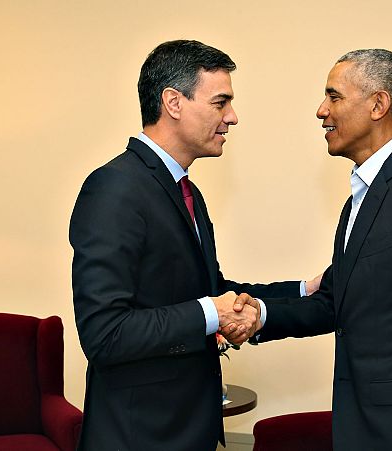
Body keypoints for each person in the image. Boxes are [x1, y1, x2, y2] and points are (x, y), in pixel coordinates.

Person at [69, 40, 319, 451]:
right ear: (173, 102)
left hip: (186, 431)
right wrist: (209, 313)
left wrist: (300, 291)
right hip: (139, 437)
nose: (232, 117)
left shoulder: (187, 192)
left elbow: (209, 291)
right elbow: (104, 332)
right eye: (221, 102)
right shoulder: (114, 188)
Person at [235, 49, 392, 450]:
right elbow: (337, 302)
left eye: (334, 96)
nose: (322, 110)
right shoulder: (362, 196)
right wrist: (259, 313)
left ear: (378, 104)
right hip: (362, 424)